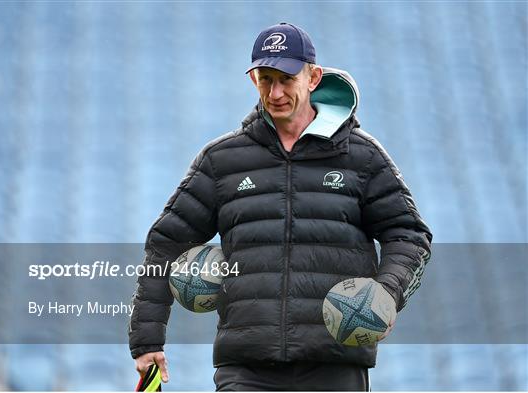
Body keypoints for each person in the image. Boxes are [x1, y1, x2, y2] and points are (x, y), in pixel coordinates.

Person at [129, 22, 432, 391]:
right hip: (246, 366)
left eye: (286, 79)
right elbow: (166, 243)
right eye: (265, 78)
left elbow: (409, 235)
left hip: (333, 365)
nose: (274, 92)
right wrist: (147, 342)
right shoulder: (222, 160)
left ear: (313, 77)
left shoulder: (363, 157)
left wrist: (386, 291)